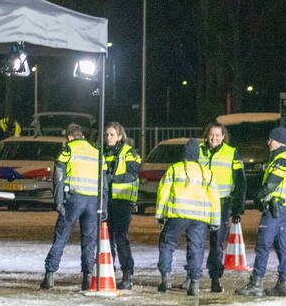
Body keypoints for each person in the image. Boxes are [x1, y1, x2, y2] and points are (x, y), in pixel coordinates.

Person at [236, 126, 286, 297]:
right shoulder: (284, 157)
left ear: (279, 141)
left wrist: (257, 197)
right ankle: (283, 283)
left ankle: (257, 282)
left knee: (263, 244)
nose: (268, 142)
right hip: (283, 208)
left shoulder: (282, 160)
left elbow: (271, 184)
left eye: (271, 139)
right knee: (281, 245)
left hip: (275, 208)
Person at [40, 123, 104, 291]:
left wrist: (58, 201)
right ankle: (87, 277)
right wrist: (102, 205)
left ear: (69, 137)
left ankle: (50, 275)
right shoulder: (97, 152)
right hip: (93, 201)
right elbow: (103, 181)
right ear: (81, 135)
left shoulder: (67, 150)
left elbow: (58, 178)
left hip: (74, 199)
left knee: (61, 236)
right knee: (89, 240)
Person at [155, 138, 220, 296]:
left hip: (177, 215)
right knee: (196, 249)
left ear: (183, 154)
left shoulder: (175, 169)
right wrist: (215, 220)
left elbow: (163, 192)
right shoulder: (206, 172)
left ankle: (166, 279)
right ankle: (194, 284)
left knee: (167, 244)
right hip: (199, 218)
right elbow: (214, 198)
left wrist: (160, 215)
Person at [199, 123, 246, 292]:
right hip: (200, 202)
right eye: (212, 135)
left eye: (218, 135)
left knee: (216, 242)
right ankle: (193, 276)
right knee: (196, 241)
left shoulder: (231, 152)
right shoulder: (198, 151)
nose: (214, 138)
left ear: (223, 136)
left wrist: (238, 209)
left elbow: (241, 181)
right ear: (207, 135)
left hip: (222, 203)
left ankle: (215, 278)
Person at [104, 122, 142, 289]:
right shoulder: (103, 152)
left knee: (120, 238)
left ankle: (127, 274)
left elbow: (132, 174)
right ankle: (108, 271)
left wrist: (112, 179)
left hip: (122, 201)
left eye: (112, 134)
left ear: (120, 136)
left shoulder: (129, 152)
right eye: (107, 134)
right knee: (106, 239)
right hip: (106, 201)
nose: (108, 137)